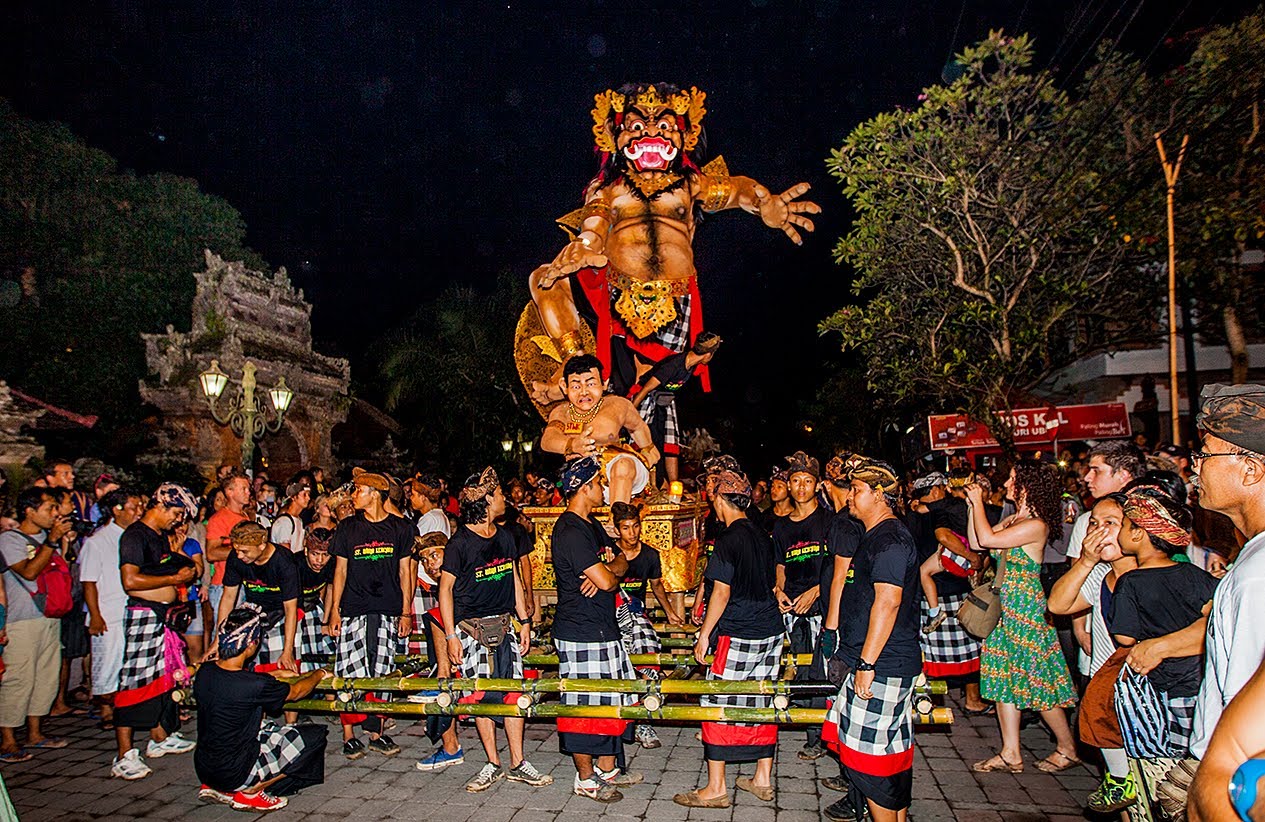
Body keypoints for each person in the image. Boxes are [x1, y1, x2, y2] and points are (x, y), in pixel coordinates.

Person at [674, 460, 784, 808]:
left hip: (738, 632)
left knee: (718, 701)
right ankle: (762, 778)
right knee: (761, 699)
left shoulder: (727, 539)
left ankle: (716, 787)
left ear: (720, 500)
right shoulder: (759, 532)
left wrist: (704, 634)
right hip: (770, 631)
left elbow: (720, 591)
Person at [1177, 384, 1265, 817]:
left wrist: (1211, 789)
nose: (1194, 471)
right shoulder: (1251, 555)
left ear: (1250, 469)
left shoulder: (1260, 573)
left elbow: (1251, 726)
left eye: (1204, 456)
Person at [436, 467, 551, 792]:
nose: (503, 498)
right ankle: (492, 762)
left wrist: (524, 621)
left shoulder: (504, 536)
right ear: (486, 501)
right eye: (499, 494)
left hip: (505, 626)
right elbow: (445, 590)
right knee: (479, 697)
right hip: (471, 631)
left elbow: (512, 577)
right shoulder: (460, 543)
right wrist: (450, 636)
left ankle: (518, 762)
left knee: (514, 695)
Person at [823, 456, 921, 822]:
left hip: (883, 665)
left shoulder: (889, 539)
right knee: (888, 757)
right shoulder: (876, 535)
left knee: (871, 764)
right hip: (879, 662)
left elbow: (889, 601)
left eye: (858, 490)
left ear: (880, 495)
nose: (850, 496)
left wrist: (866, 664)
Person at [968, 461, 1079, 775]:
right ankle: (1010, 752)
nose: (1005, 485)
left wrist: (978, 503)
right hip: (1006, 607)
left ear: (1027, 486)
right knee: (1003, 677)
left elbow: (988, 540)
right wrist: (970, 507)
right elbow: (978, 542)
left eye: (1012, 480)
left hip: (1026, 608)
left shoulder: (1036, 524)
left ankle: (1067, 747)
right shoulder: (1015, 519)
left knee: (1036, 679)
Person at [550, 456, 641, 802]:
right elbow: (605, 577)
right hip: (580, 631)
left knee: (611, 701)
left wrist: (607, 571)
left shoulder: (592, 526)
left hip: (602, 628)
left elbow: (620, 558)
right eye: (599, 483)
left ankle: (607, 768)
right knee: (584, 708)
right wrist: (604, 574)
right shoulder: (571, 530)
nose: (604, 488)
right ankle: (586, 778)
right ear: (584, 487)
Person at [1047, 495, 1138, 813]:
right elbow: (1058, 604)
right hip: (1106, 693)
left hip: (1141, 700)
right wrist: (1085, 561)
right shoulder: (1100, 575)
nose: (1099, 532)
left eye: (1110, 524)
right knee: (1124, 791)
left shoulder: (1154, 577)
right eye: (1094, 524)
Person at [193, 604, 329, 813]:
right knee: (314, 737)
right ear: (251, 644)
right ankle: (251, 792)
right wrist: (318, 674)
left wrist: (274, 673)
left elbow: (242, 681)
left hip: (205, 768)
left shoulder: (206, 672)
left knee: (268, 726)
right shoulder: (253, 685)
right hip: (235, 771)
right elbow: (297, 691)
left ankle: (219, 788)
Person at [1112, 484, 1216, 757]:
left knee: (1163, 756)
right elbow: (1213, 613)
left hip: (1162, 682)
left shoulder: (1131, 582)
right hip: (1198, 678)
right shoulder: (1196, 574)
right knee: (1195, 752)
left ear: (1138, 533)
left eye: (1123, 525)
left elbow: (1125, 637)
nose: (1120, 532)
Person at [113, 483, 201, 780]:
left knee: (165, 680)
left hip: (164, 616)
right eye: (176, 513)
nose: (178, 519)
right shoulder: (134, 536)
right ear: (161, 506)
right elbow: (131, 580)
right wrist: (177, 576)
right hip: (143, 616)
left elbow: (160, 570)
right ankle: (124, 754)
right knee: (134, 681)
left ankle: (160, 738)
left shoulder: (160, 536)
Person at [325, 471, 415, 760]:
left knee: (381, 672)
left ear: (375, 494)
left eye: (359, 490)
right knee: (350, 669)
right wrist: (335, 612)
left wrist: (405, 611)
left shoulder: (400, 528)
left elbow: (405, 572)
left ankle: (377, 732)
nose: (354, 495)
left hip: (387, 608)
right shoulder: (348, 527)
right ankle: (350, 735)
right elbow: (339, 571)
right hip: (354, 608)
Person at [0, 488, 72, 762]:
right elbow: (29, 571)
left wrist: (61, 545)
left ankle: (35, 733)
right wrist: (52, 542)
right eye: (50, 508)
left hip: (49, 615)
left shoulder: (46, 538)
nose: (55, 514)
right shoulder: (10, 540)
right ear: (29, 511)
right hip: (21, 618)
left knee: (45, 675)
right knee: (19, 678)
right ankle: (7, 740)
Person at [772, 450, 831, 760]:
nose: (801, 487)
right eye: (795, 481)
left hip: (823, 608)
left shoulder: (830, 521)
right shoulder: (781, 527)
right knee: (801, 669)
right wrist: (778, 590)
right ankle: (808, 728)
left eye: (807, 481)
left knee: (822, 671)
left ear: (817, 485)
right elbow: (780, 564)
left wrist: (816, 591)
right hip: (793, 608)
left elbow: (840, 566)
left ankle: (818, 738)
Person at [540, 354, 661, 504]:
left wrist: (648, 450)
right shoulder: (561, 413)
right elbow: (547, 440)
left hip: (618, 471)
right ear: (564, 386)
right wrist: (571, 445)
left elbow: (637, 428)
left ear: (604, 383)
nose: (584, 392)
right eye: (576, 386)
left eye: (591, 384)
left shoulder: (618, 406)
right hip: (582, 476)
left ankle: (617, 520)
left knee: (623, 465)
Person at [818, 453, 866, 818]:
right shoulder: (849, 520)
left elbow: (840, 577)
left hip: (847, 625)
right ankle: (850, 778)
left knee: (849, 708)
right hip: (852, 621)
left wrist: (830, 627)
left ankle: (857, 790)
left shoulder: (845, 524)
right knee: (845, 707)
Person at [610, 501, 679, 750]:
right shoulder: (608, 552)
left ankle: (642, 722)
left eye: (635, 526)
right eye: (626, 528)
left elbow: (657, 586)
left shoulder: (649, 554)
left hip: (636, 615)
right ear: (618, 530)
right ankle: (619, 721)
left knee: (646, 663)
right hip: (611, 615)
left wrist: (670, 612)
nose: (632, 532)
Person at [80, 488, 144, 731]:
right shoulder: (97, 541)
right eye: (133, 507)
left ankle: (124, 708)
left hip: (128, 609)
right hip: (106, 612)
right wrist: (95, 615)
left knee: (125, 662)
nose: (139, 512)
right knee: (106, 663)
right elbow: (88, 582)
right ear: (117, 510)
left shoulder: (133, 537)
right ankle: (106, 710)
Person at [209, 521, 300, 678]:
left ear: (261, 545)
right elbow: (228, 597)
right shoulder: (236, 558)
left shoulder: (284, 561)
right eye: (236, 550)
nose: (239, 556)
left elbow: (291, 609)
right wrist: (219, 639)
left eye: (244, 551)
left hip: (280, 614)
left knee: (276, 668)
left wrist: (287, 651)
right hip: (253, 613)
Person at [630, 331, 722, 483]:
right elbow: (645, 389)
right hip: (647, 399)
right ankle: (644, 483)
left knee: (670, 440)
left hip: (665, 400)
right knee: (643, 441)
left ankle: (673, 484)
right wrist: (630, 412)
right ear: (707, 355)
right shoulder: (674, 365)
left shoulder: (690, 365)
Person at [206, 473, 251, 625]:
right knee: (225, 632)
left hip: (244, 583)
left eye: (248, 488)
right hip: (223, 585)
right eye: (243, 489)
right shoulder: (219, 519)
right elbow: (211, 553)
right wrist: (243, 551)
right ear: (230, 492)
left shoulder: (245, 517)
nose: (248, 492)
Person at [296, 527, 335, 670]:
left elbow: (330, 589)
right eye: (315, 554)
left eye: (325, 555)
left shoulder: (332, 563)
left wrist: (326, 620)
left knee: (326, 646)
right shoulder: (295, 565)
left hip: (315, 604)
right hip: (294, 608)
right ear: (306, 551)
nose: (320, 560)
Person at [270, 482, 311, 554]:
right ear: (294, 497)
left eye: (308, 495)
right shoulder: (284, 522)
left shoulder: (299, 520)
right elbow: (284, 552)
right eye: (304, 495)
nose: (308, 498)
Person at [409, 473, 452, 539]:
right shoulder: (439, 516)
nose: (411, 498)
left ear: (422, 497)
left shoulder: (430, 519)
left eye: (413, 494)